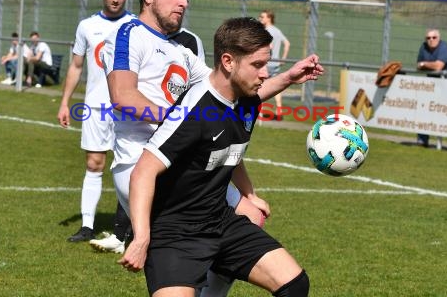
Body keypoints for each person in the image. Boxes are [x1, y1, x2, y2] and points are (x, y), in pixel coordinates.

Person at [119, 17, 322, 297]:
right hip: (176, 234)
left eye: (267, 64)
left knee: (294, 285)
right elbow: (142, 172)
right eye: (258, 65)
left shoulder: (244, 98)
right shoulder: (195, 110)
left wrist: (288, 77)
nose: (265, 73)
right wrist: (142, 238)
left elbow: (230, 150)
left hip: (220, 222)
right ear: (228, 62)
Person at [57, 0, 135, 249]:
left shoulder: (136, 26)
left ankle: (126, 230)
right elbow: (76, 66)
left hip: (128, 107)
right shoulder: (87, 26)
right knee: (94, 163)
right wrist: (65, 102)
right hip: (96, 106)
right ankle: (88, 225)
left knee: (130, 167)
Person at [416, 28, 447, 151]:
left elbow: (438, 66)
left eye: (434, 37)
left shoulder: (444, 47)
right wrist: (426, 65)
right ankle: (422, 140)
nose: (431, 40)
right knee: (424, 109)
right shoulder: (423, 47)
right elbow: (418, 66)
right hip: (433, 85)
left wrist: (425, 64)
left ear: (439, 38)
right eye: (428, 38)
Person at [259, 9, 290, 121]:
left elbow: (269, 46)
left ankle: (260, 112)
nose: (260, 19)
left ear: (269, 18)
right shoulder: (277, 31)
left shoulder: (267, 31)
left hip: (266, 64)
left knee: (260, 86)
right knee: (276, 88)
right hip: (276, 64)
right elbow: (287, 43)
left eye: (262, 17)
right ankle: (279, 110)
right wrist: (283, 59)